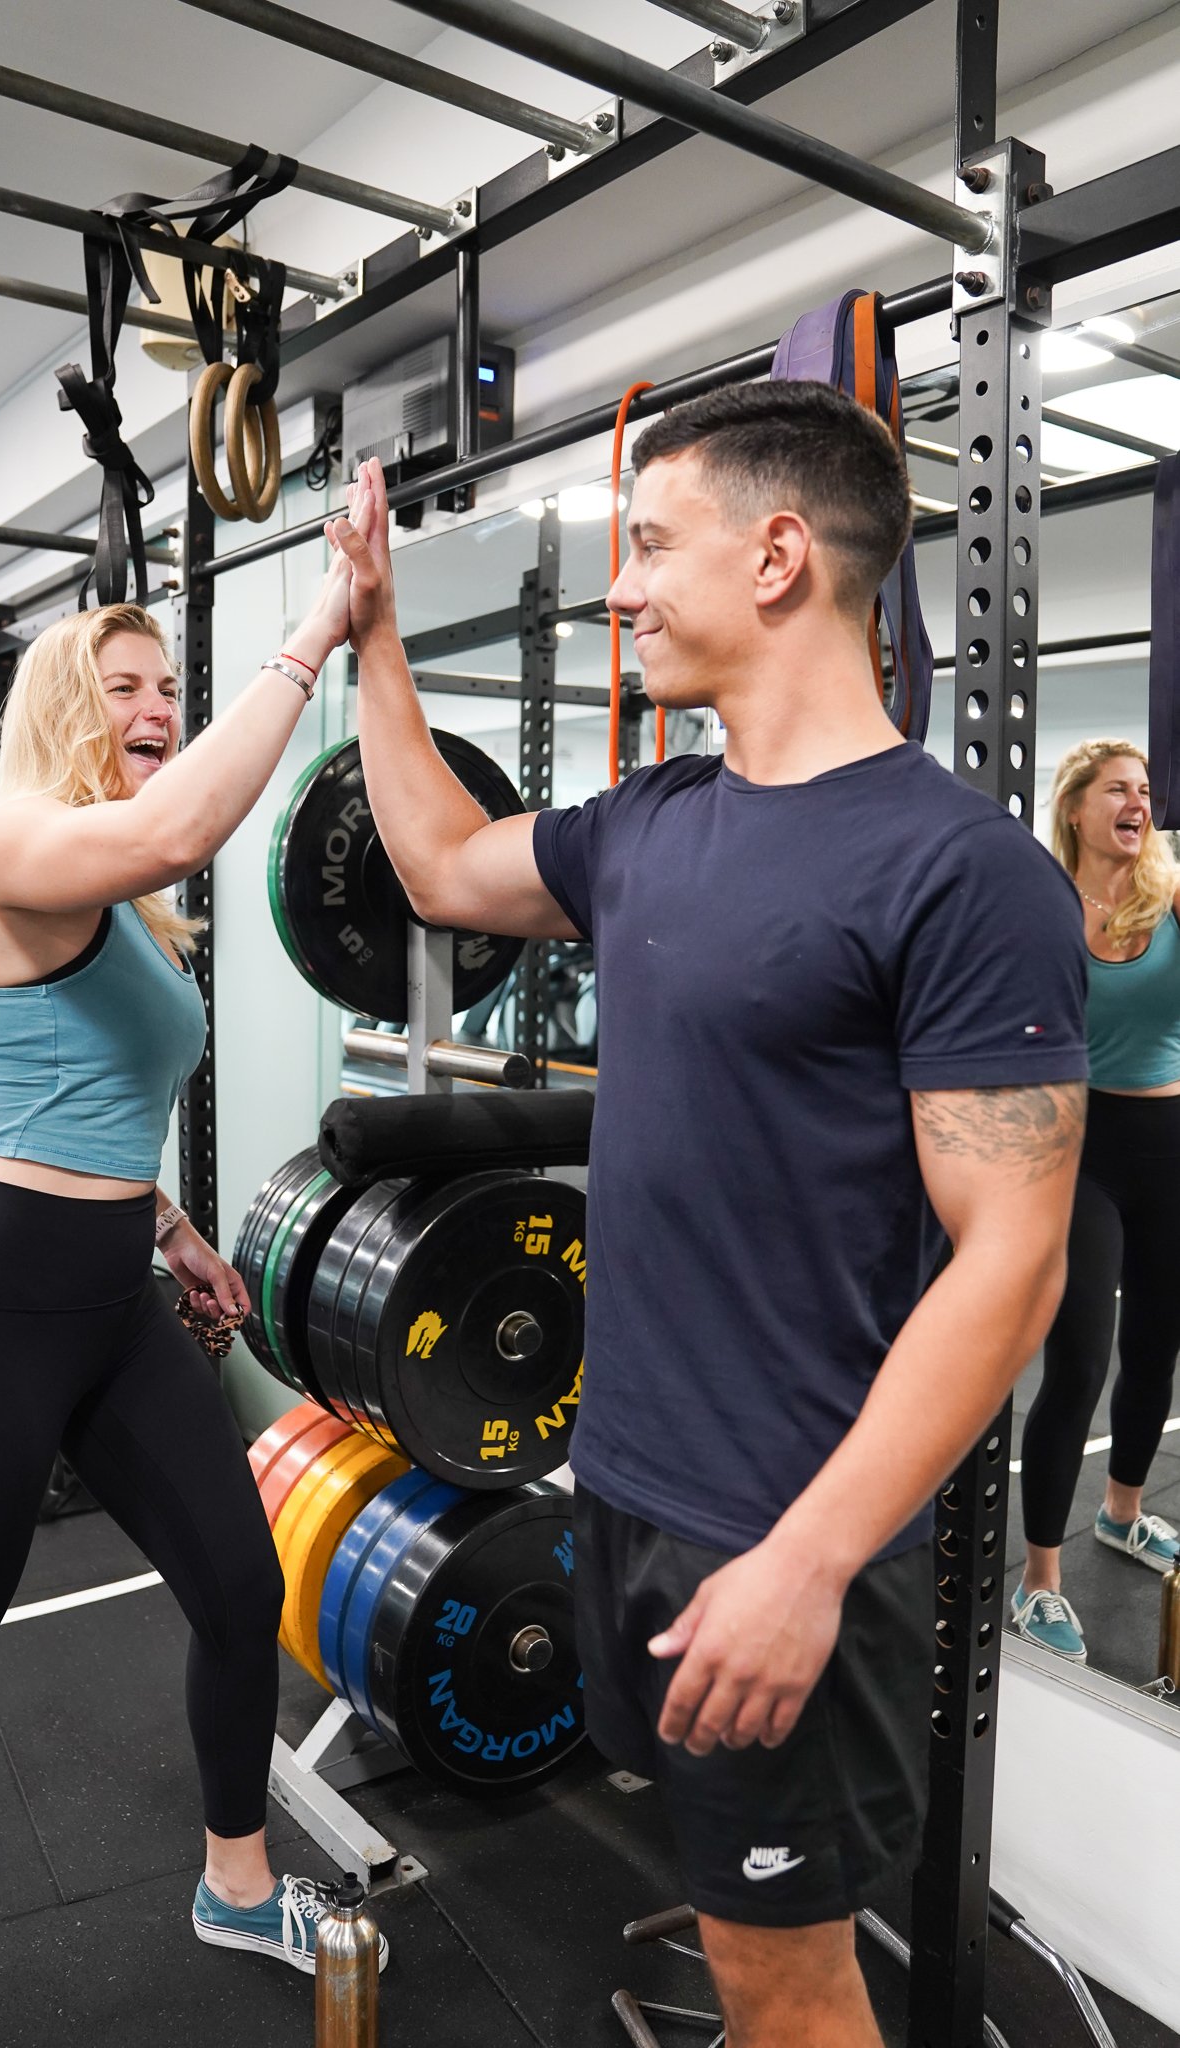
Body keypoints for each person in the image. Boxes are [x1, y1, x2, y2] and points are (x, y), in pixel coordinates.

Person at [324, 388, 1088, 2048]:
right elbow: (446, 864)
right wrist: (371, 638)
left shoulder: (959, 874)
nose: (623, 589)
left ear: (782, 555)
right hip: (626, 1489)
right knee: (742, 1940)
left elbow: (1013, 1262)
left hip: (781, 1523)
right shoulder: (655, 822)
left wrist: (807, 1562)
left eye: (651, 546)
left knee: (791, 1982)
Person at [0, 571, 385, 2047]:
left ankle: (232, 1879)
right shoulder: (17, 841)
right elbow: (178, 823)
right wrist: (317, 629)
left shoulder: (125, 904)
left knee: (236, 1587)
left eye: (166, 688)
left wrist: (170, 1220)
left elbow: (86, 1091)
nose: (156, 710)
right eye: (126, 689)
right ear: (66, 713)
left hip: (112, 1299)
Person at [1012, 739, 1180, 1663]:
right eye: (1118, 788)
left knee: (1156, 1345)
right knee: (1076, 1364)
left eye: (1146, 790)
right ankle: (1040, 1581)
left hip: (1170, 1143)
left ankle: (1121, 1512)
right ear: (1074, 808)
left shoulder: (1172, 893)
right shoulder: (1040, 905)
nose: (1138, 802)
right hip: (1077, 1151)